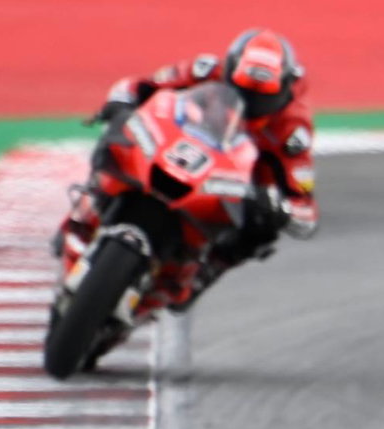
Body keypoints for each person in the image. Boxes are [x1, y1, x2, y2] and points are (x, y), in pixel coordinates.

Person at [54, 28, 318, 313]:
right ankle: (91, 201)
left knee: (263, 227)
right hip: (182, 147)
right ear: (229, 70)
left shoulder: (292, 129)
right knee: (119, 132)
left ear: (285, 88)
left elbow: (304, 207)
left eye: (261, 99)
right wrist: (121, 103)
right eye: (242, 92)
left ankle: (207, 270)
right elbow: (141, 85)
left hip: (234, 182)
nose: (249, 105)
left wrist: (281, 207)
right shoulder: (204, 70)